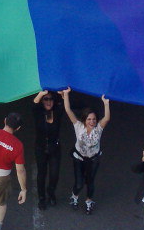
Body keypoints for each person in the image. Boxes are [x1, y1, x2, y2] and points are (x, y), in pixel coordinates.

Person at [60, 87, 111, 215]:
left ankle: (89, 201)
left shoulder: (98, 128)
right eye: (89, 119)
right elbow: (68, 110)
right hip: (79, 158)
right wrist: (66, 94)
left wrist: (106, 103)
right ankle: (74, 196)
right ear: (84, 120)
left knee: (90, 182)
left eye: (94, 119)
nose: (92, 122)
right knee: (79, 183)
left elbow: (106, 118)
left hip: (93, 159)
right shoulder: (78, 126)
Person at [33, 90, 64, 210]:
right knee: (42, 173)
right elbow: (34, 104)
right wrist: (42, 93)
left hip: (54, 148)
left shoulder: (57, 111)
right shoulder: (38, 112)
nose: (49, 102)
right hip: (40, 148)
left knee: (54, 174)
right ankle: (41, 198)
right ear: (42, 101)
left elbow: (64, 102)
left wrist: (64, 94)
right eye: (46, 99)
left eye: (51, 99)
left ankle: (51, 192)